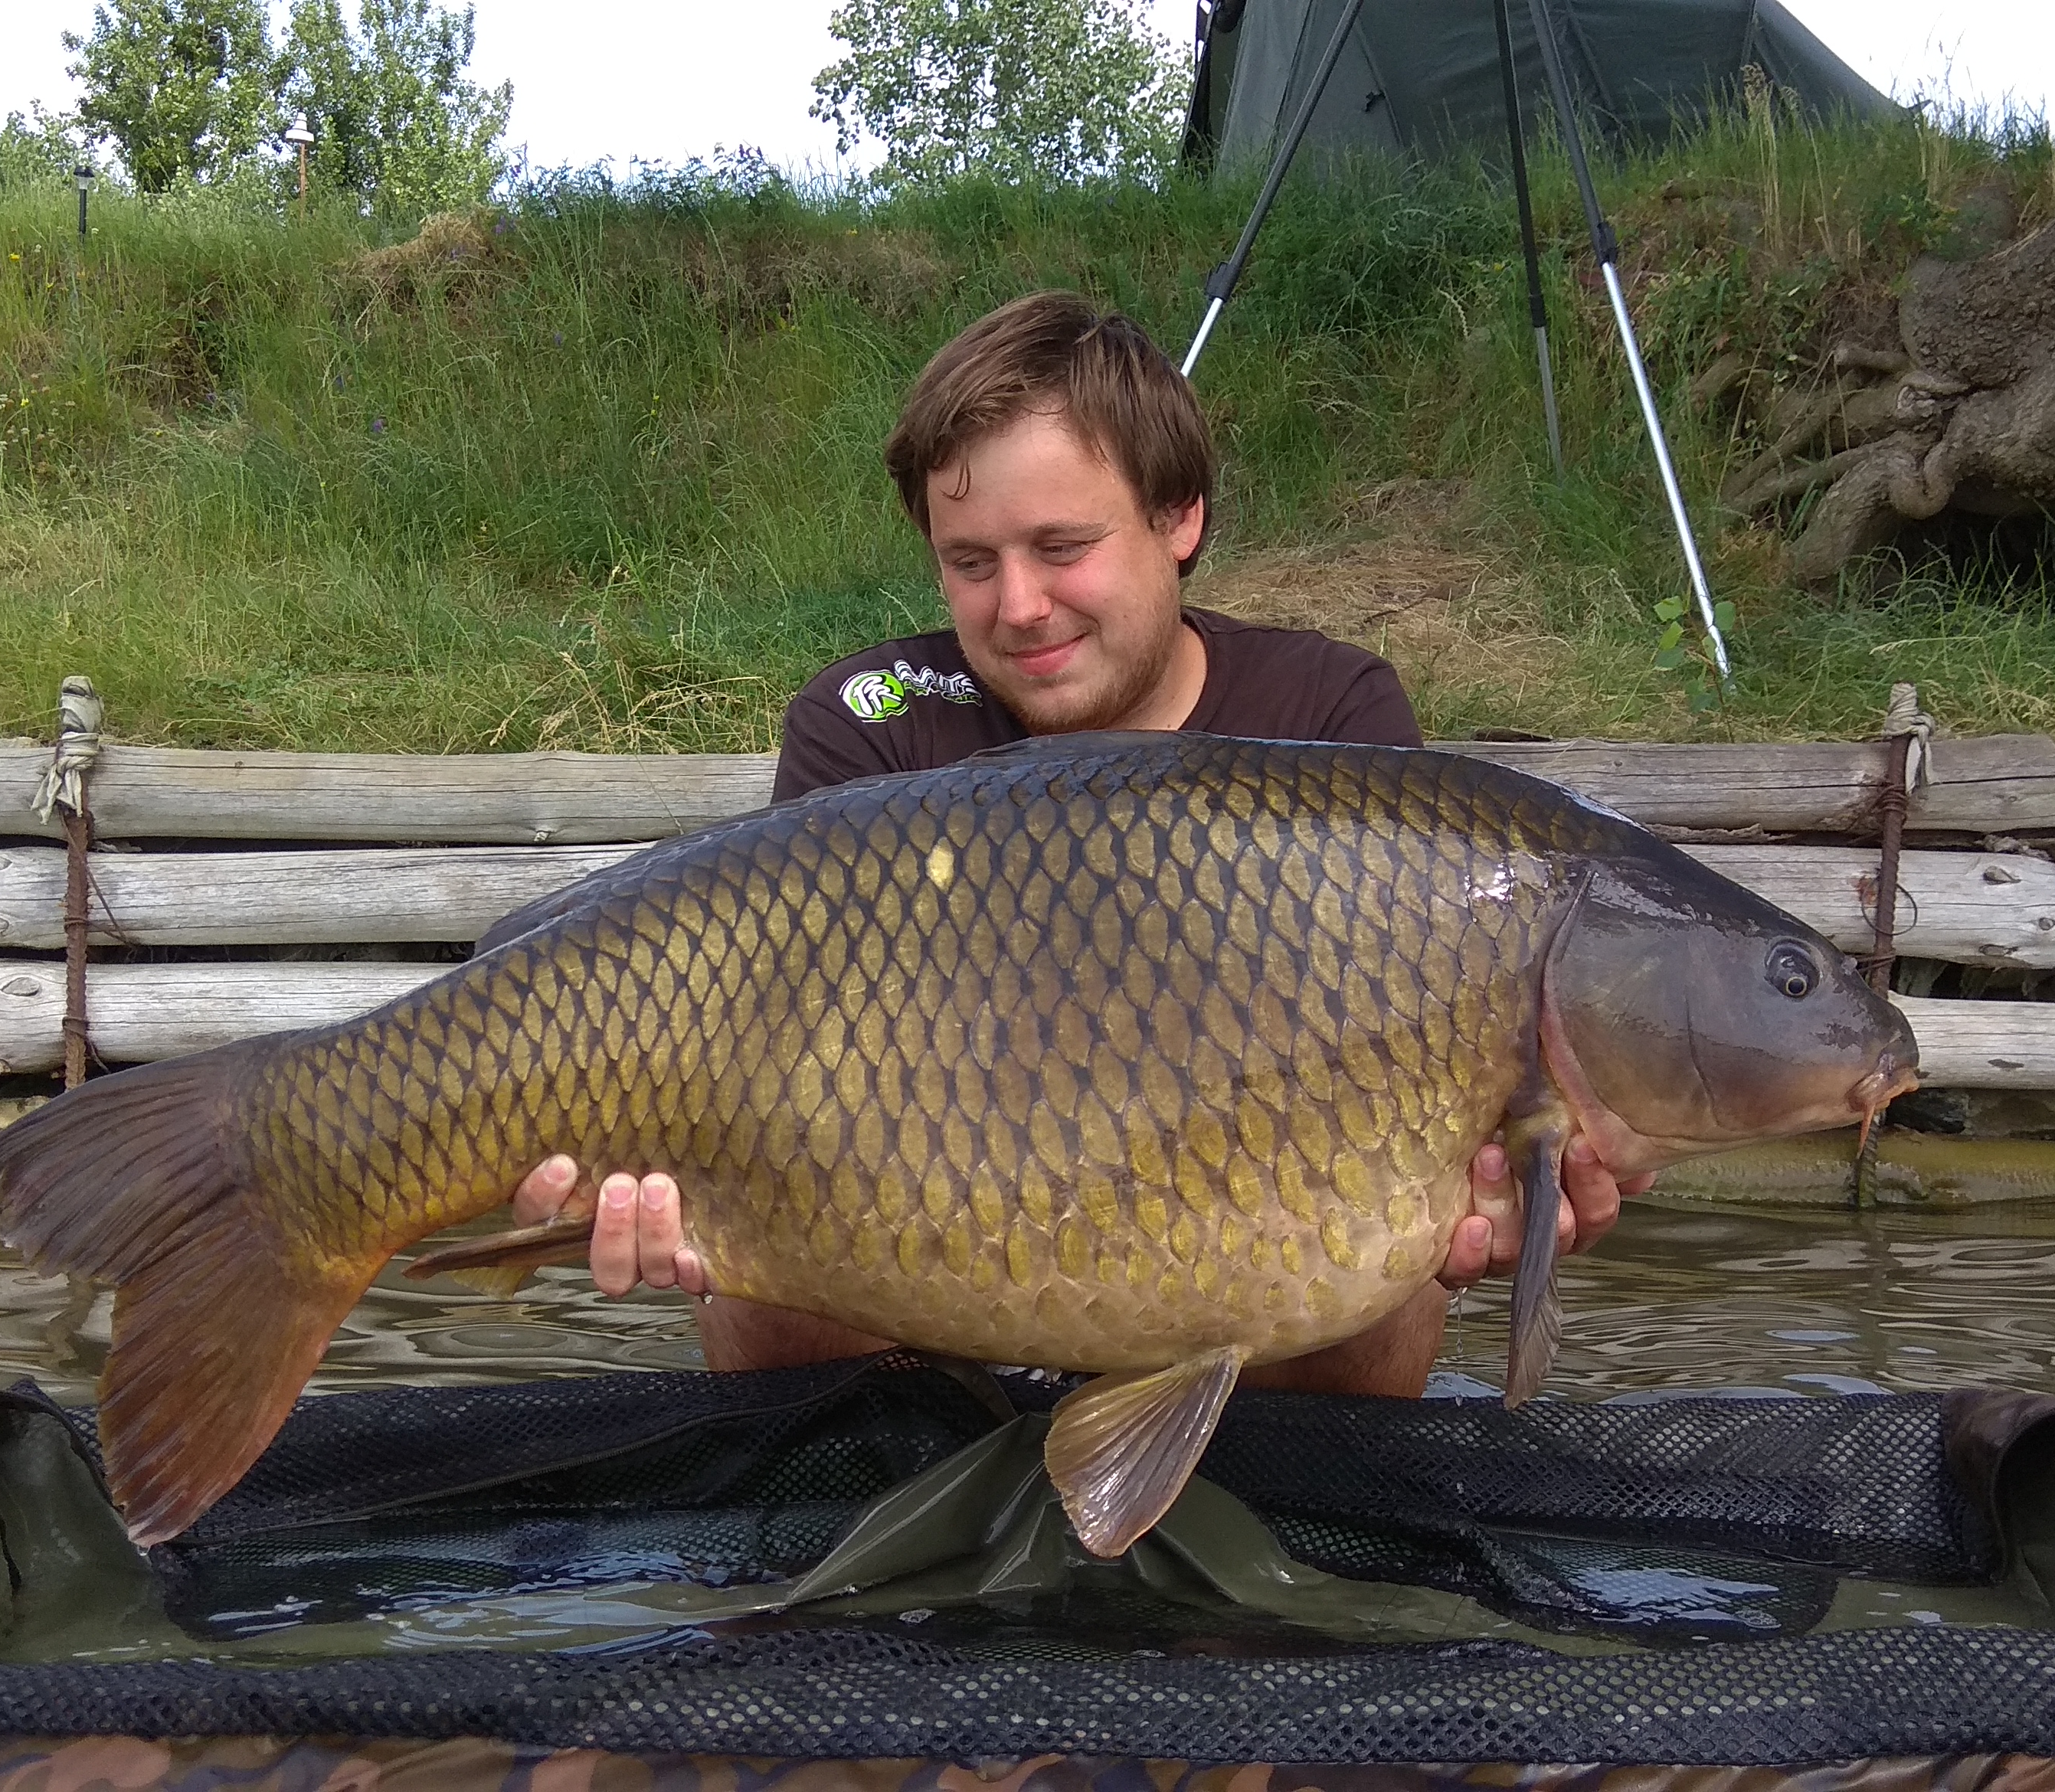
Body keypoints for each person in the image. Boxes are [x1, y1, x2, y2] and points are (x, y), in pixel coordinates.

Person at [495, 290, 1641, 1397]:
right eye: (971, 562)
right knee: (737, 1239)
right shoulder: (868, 725)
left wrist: (1520, 1179)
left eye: (1062, 546)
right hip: (910, 1257)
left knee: (1396, 1258)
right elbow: (761, 1045)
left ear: (1179, 516)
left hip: (1248, 1258)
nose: (1021, 606)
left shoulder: (1329, 717)